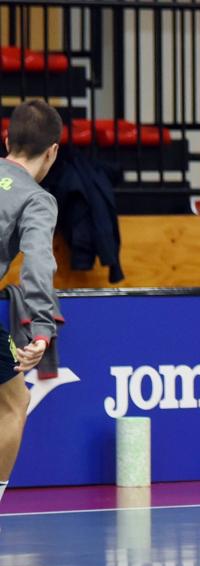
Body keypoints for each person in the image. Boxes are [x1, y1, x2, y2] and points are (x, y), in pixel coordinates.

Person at [0, 99, 61, 505]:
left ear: (6, 139)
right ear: (53, 151)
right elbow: (37, 263)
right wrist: (41, 328)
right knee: (14, 401)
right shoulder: (37, 199)